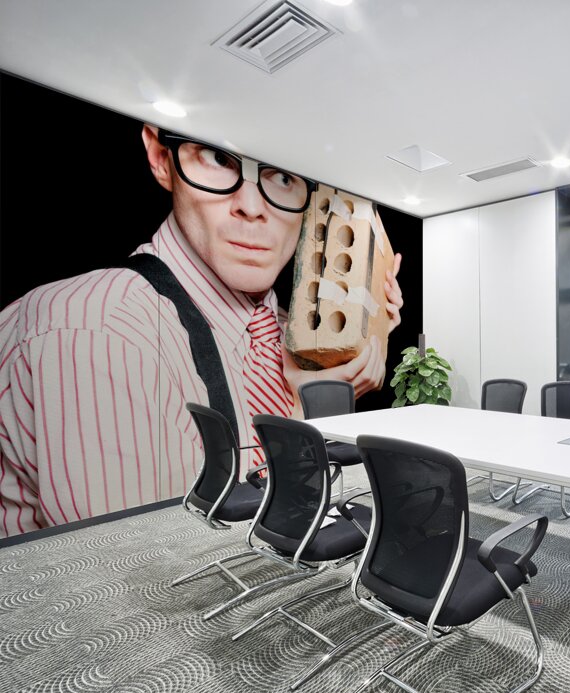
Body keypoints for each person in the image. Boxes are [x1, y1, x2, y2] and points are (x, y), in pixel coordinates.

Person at [0, 125, 403, 538]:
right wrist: (300, 415)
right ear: (161, 157)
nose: (252, 207)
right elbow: (162, 553)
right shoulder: (99, 328)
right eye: (219, 159)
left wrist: (363, 339)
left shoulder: (288, 332)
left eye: (283, 176)